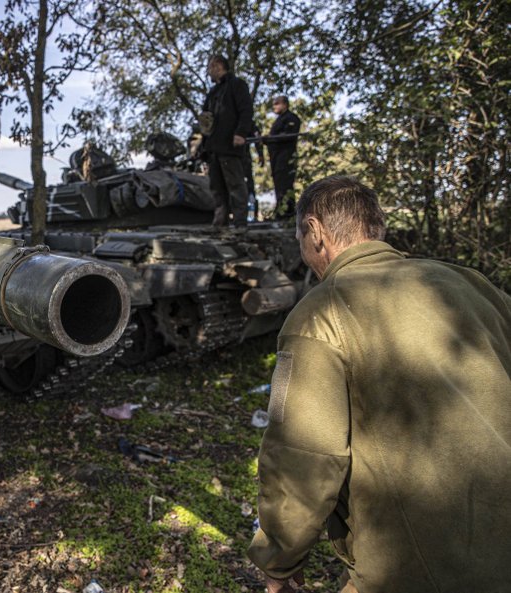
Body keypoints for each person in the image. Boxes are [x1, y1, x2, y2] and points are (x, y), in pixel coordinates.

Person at [247, 175, 511, 593]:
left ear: (315, 232)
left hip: (422, 563)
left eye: (300, 237)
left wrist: (278, 558)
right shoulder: (473, 284)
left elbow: (304, 452)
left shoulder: (321, 312)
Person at [200, 55, 253, 228]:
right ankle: (220, 222)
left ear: (218, 66)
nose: (208, 71)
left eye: (210, 67)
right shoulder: (213, 93)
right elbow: (206, 120)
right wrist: (203, 146)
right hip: (214, 146)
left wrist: (241, 133)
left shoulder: (237, 85)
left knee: (236, 185)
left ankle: (240, 223)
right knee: (217, 187)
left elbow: (246, 111)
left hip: (230, 145)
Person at [264, 96, 301, 218]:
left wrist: (272, 139)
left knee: (285, 185)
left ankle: (288, 213)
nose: (274, 106)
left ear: (285, 104)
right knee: (279, 185)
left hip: (286, 158)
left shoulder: (291, 118)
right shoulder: (279, 120)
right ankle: (281, 211)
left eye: (277, 103)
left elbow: (289, 135)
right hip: (276, 159)